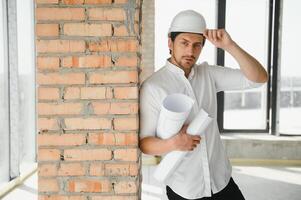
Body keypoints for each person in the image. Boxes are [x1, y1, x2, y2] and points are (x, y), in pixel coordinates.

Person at [139, 10, 268, 200]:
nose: (191, 51)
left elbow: (258, 79)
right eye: (184, 43)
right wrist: (173, 143)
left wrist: (230, 46)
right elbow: (145, 143)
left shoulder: (209, 74)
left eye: (197, 45)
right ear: (170, 42)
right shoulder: (154, 87)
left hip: (221, 181)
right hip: (185, 188)